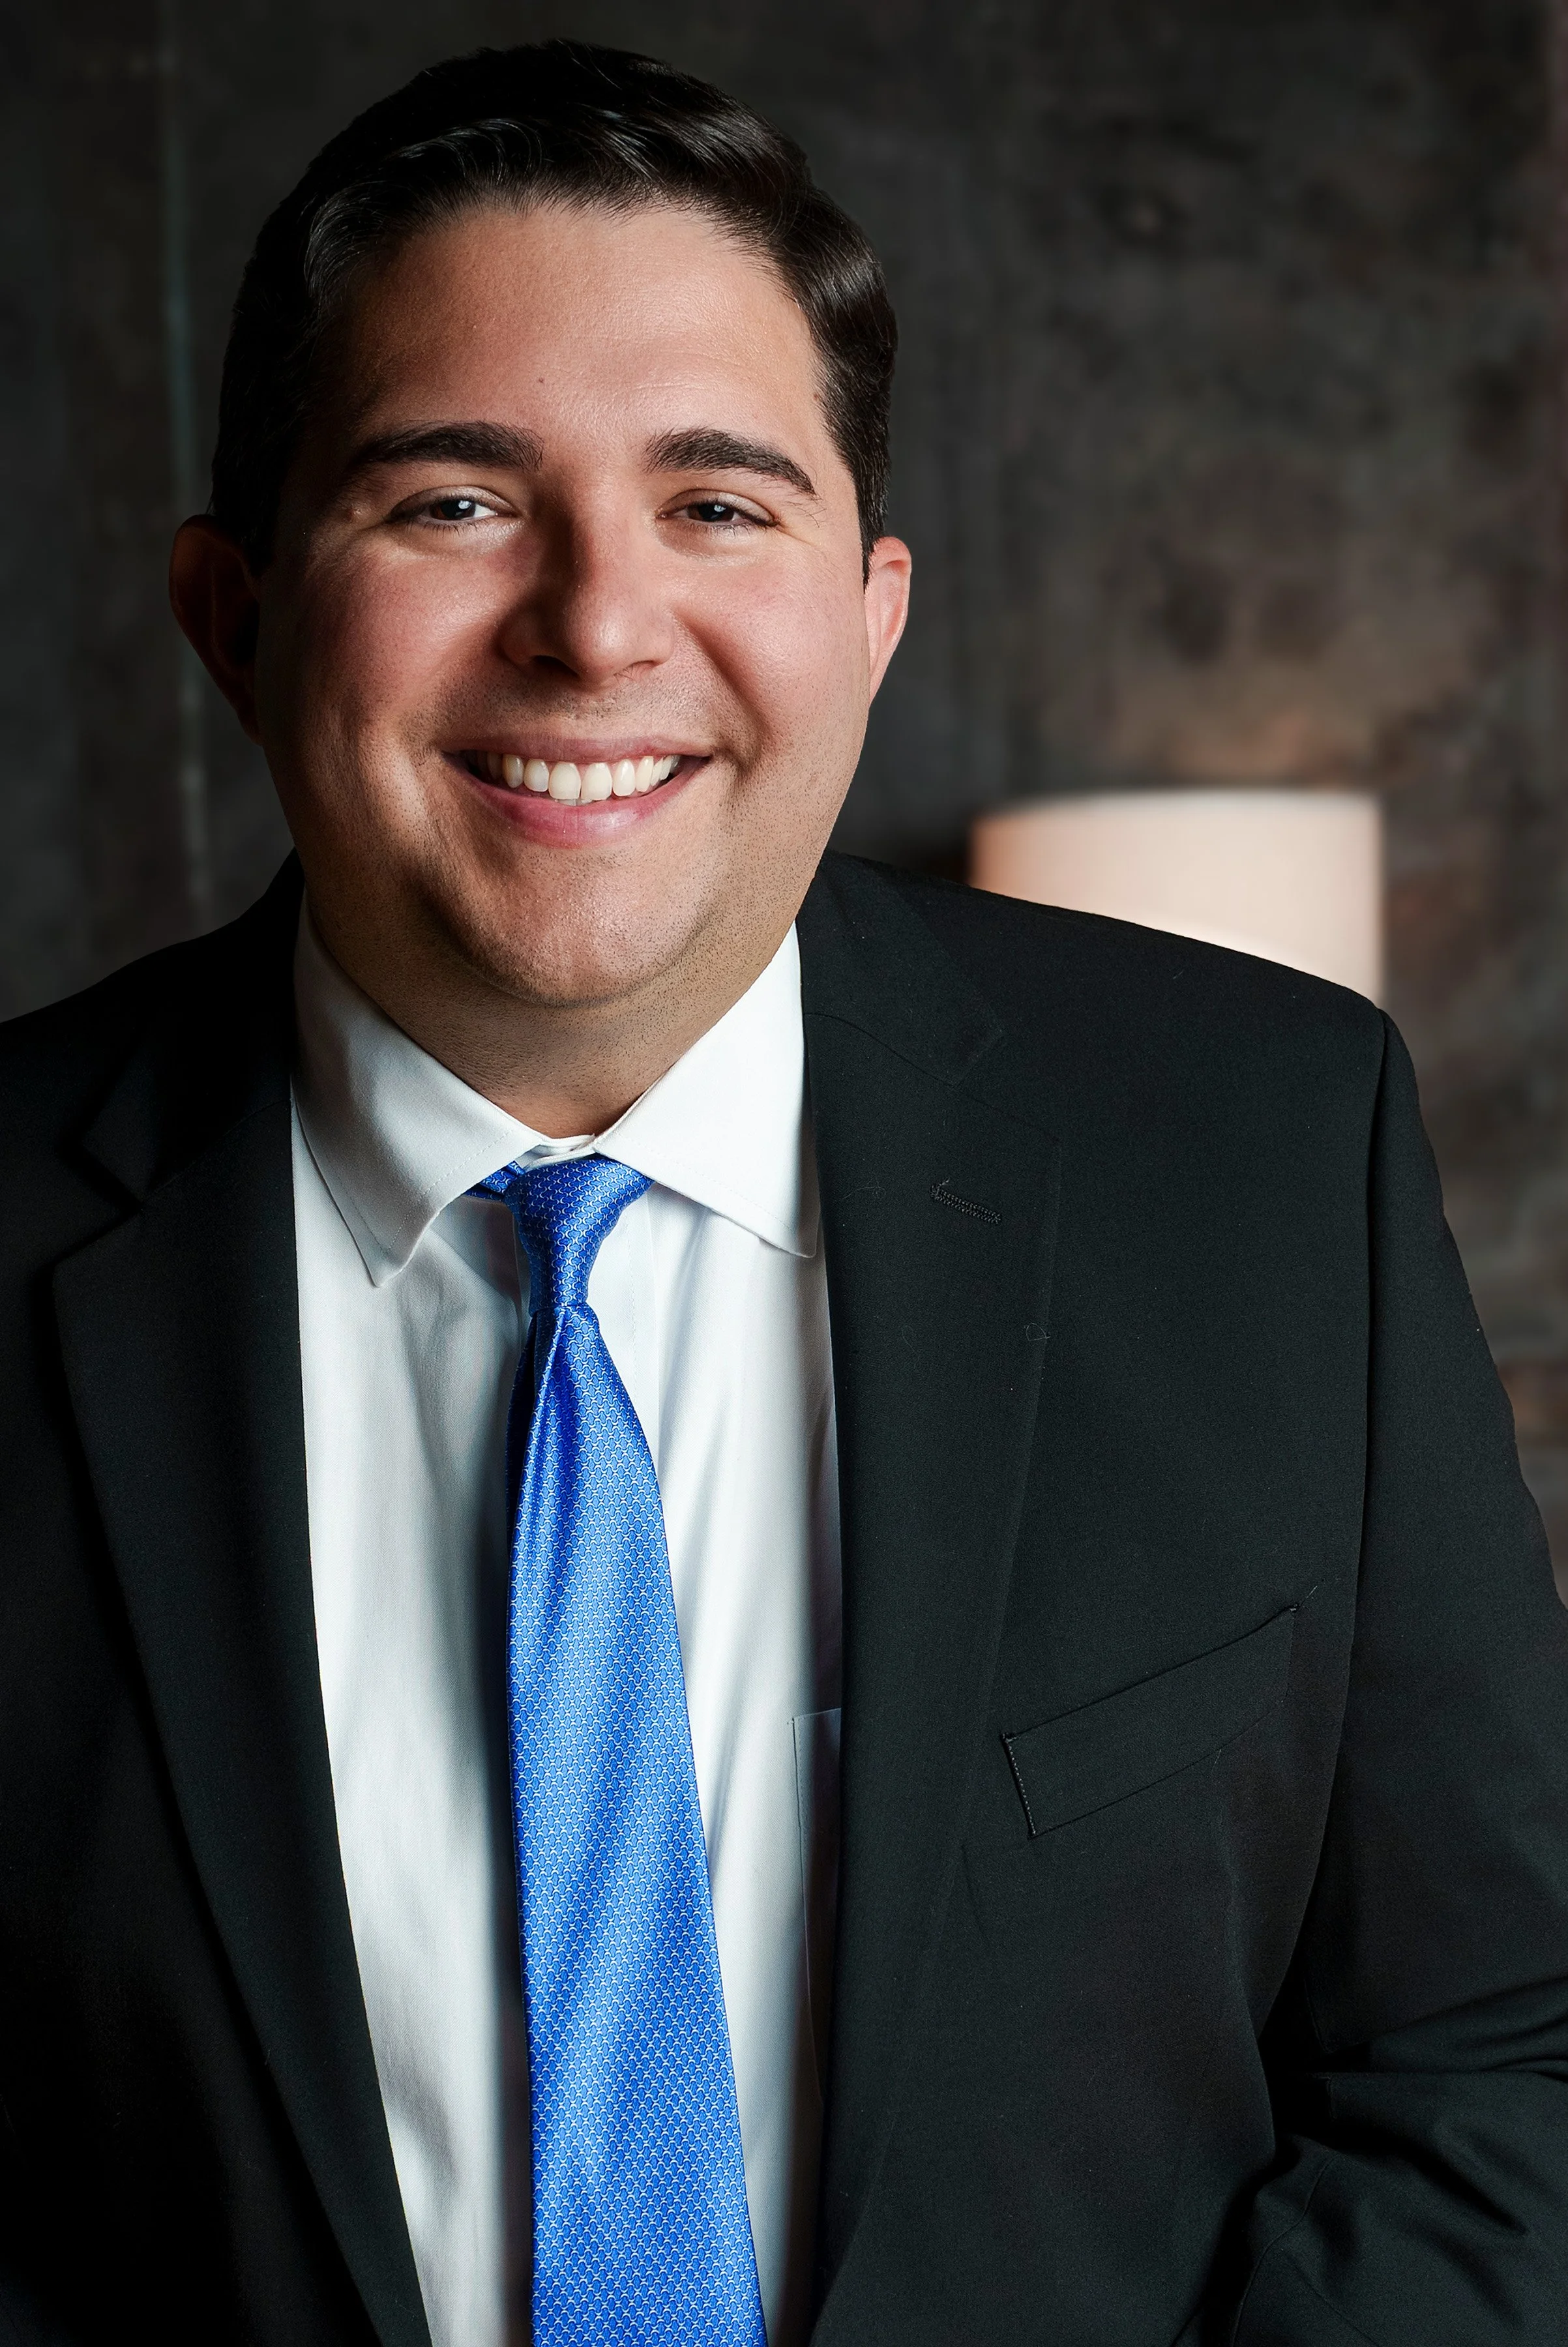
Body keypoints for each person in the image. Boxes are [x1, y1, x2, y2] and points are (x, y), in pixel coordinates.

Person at [1, 36, 1565, 2347]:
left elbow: (1496, 2052)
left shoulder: (1259, 1157)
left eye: (718, 504)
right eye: (455, 502)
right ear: (233, 618)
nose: (596, 624)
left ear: (871, 610)